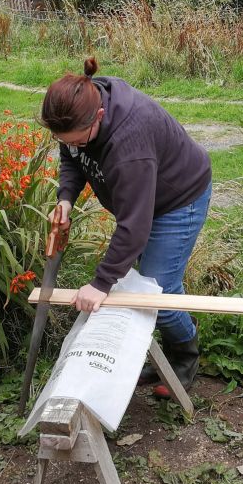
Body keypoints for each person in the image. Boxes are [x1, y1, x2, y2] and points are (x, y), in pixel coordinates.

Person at [41, 57, 212, 397]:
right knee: (145, 288)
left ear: (99, 118)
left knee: (155, 293)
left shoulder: (129, 143)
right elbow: (73, 160)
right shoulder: (75, 112)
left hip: (179, 199)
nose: (72, 145)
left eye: (78, 140)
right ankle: (170, 343)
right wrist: (65, 199)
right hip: (146, 197)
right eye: (66, 140)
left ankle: (185, 354)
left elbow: (135, 227)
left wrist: (101, 283)